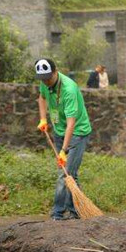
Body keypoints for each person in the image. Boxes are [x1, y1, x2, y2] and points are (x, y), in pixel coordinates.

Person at [35, 58, 92, 221]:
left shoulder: (69, 89)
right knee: (71, 173)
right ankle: (76, 211)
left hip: (77, 132)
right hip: (59, 131)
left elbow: (71, 124)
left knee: (63, 173)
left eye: (48, 78)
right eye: (42, 79)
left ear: (55, 72)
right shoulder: (44, 82)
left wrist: (63, 151)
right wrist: (43, 118)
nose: (45, 82)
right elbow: (42, 98)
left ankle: (57, 214)